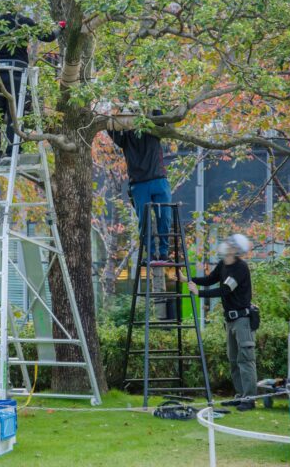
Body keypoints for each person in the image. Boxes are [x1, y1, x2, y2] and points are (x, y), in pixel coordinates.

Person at [0, 0, 65, 163]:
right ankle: (12, 152)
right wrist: (60, 26)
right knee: (16, 114)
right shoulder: (24, 21)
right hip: (16, 75)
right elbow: (48, 36)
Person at [187, 234, 256, 411]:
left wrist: (199, 294)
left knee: (245, 359)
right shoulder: (223, 264)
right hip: (230, 320)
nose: (226, 245)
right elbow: (210, 280)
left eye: (230, 244)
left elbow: (225, 290)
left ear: (236, 250)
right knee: (233, 359)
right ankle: (240, 395)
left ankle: (249, 399)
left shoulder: (240, 268)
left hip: (242, 320)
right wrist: (189, 280)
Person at [107, 110, 172, 263]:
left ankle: (163, 253)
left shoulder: (153, 129)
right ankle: (149, 254)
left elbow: (159, 114)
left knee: (165, 218)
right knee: (144, 221)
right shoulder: (126, 137)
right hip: (139, 183)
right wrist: (119, 114)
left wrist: (145, 109)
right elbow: (110, 127)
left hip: (158, 179)